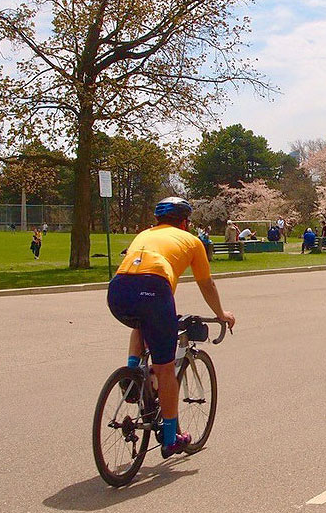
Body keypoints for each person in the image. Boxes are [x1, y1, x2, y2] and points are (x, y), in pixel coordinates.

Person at [108, 197, 235, 459]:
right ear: (185, 222)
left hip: (118, 289)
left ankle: (133, 377)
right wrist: (221, 314)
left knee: (140, 323)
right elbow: (206, 284)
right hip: (153, 289)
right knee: (166, 369)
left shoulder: (144, 234)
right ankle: (170, 439)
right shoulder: (191, 241)